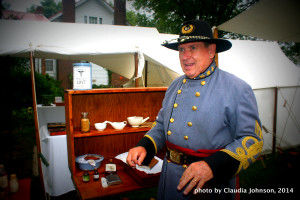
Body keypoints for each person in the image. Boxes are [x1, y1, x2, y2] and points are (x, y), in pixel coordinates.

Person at [126, 19, 263, 199]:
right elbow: (161, 125)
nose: (185, 56)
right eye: (182, 49)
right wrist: (145, 146)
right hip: (170, 178)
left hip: (209, 185)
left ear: (211, 50)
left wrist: (212, 166)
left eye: (193, 48)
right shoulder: (174, 86)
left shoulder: (237, 88)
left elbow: (252, 140)